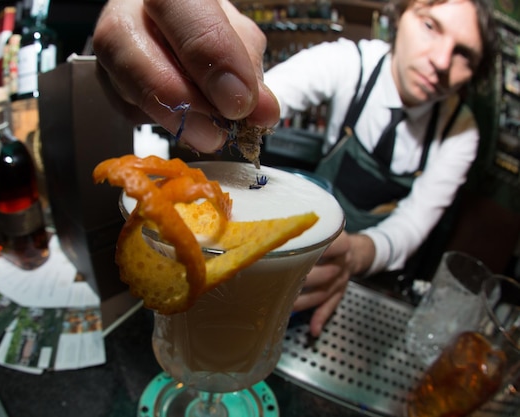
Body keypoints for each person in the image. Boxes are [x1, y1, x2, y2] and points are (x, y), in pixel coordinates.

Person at [91, 0, 498, 336]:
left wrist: (353, 255)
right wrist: (214, 89)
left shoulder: (460, 131)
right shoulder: (348, 62)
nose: (441, 61)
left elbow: (411, 226)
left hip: (351, 265)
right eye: (430, 25)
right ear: (402, 15)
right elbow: (272, 95)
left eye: (465, 55)